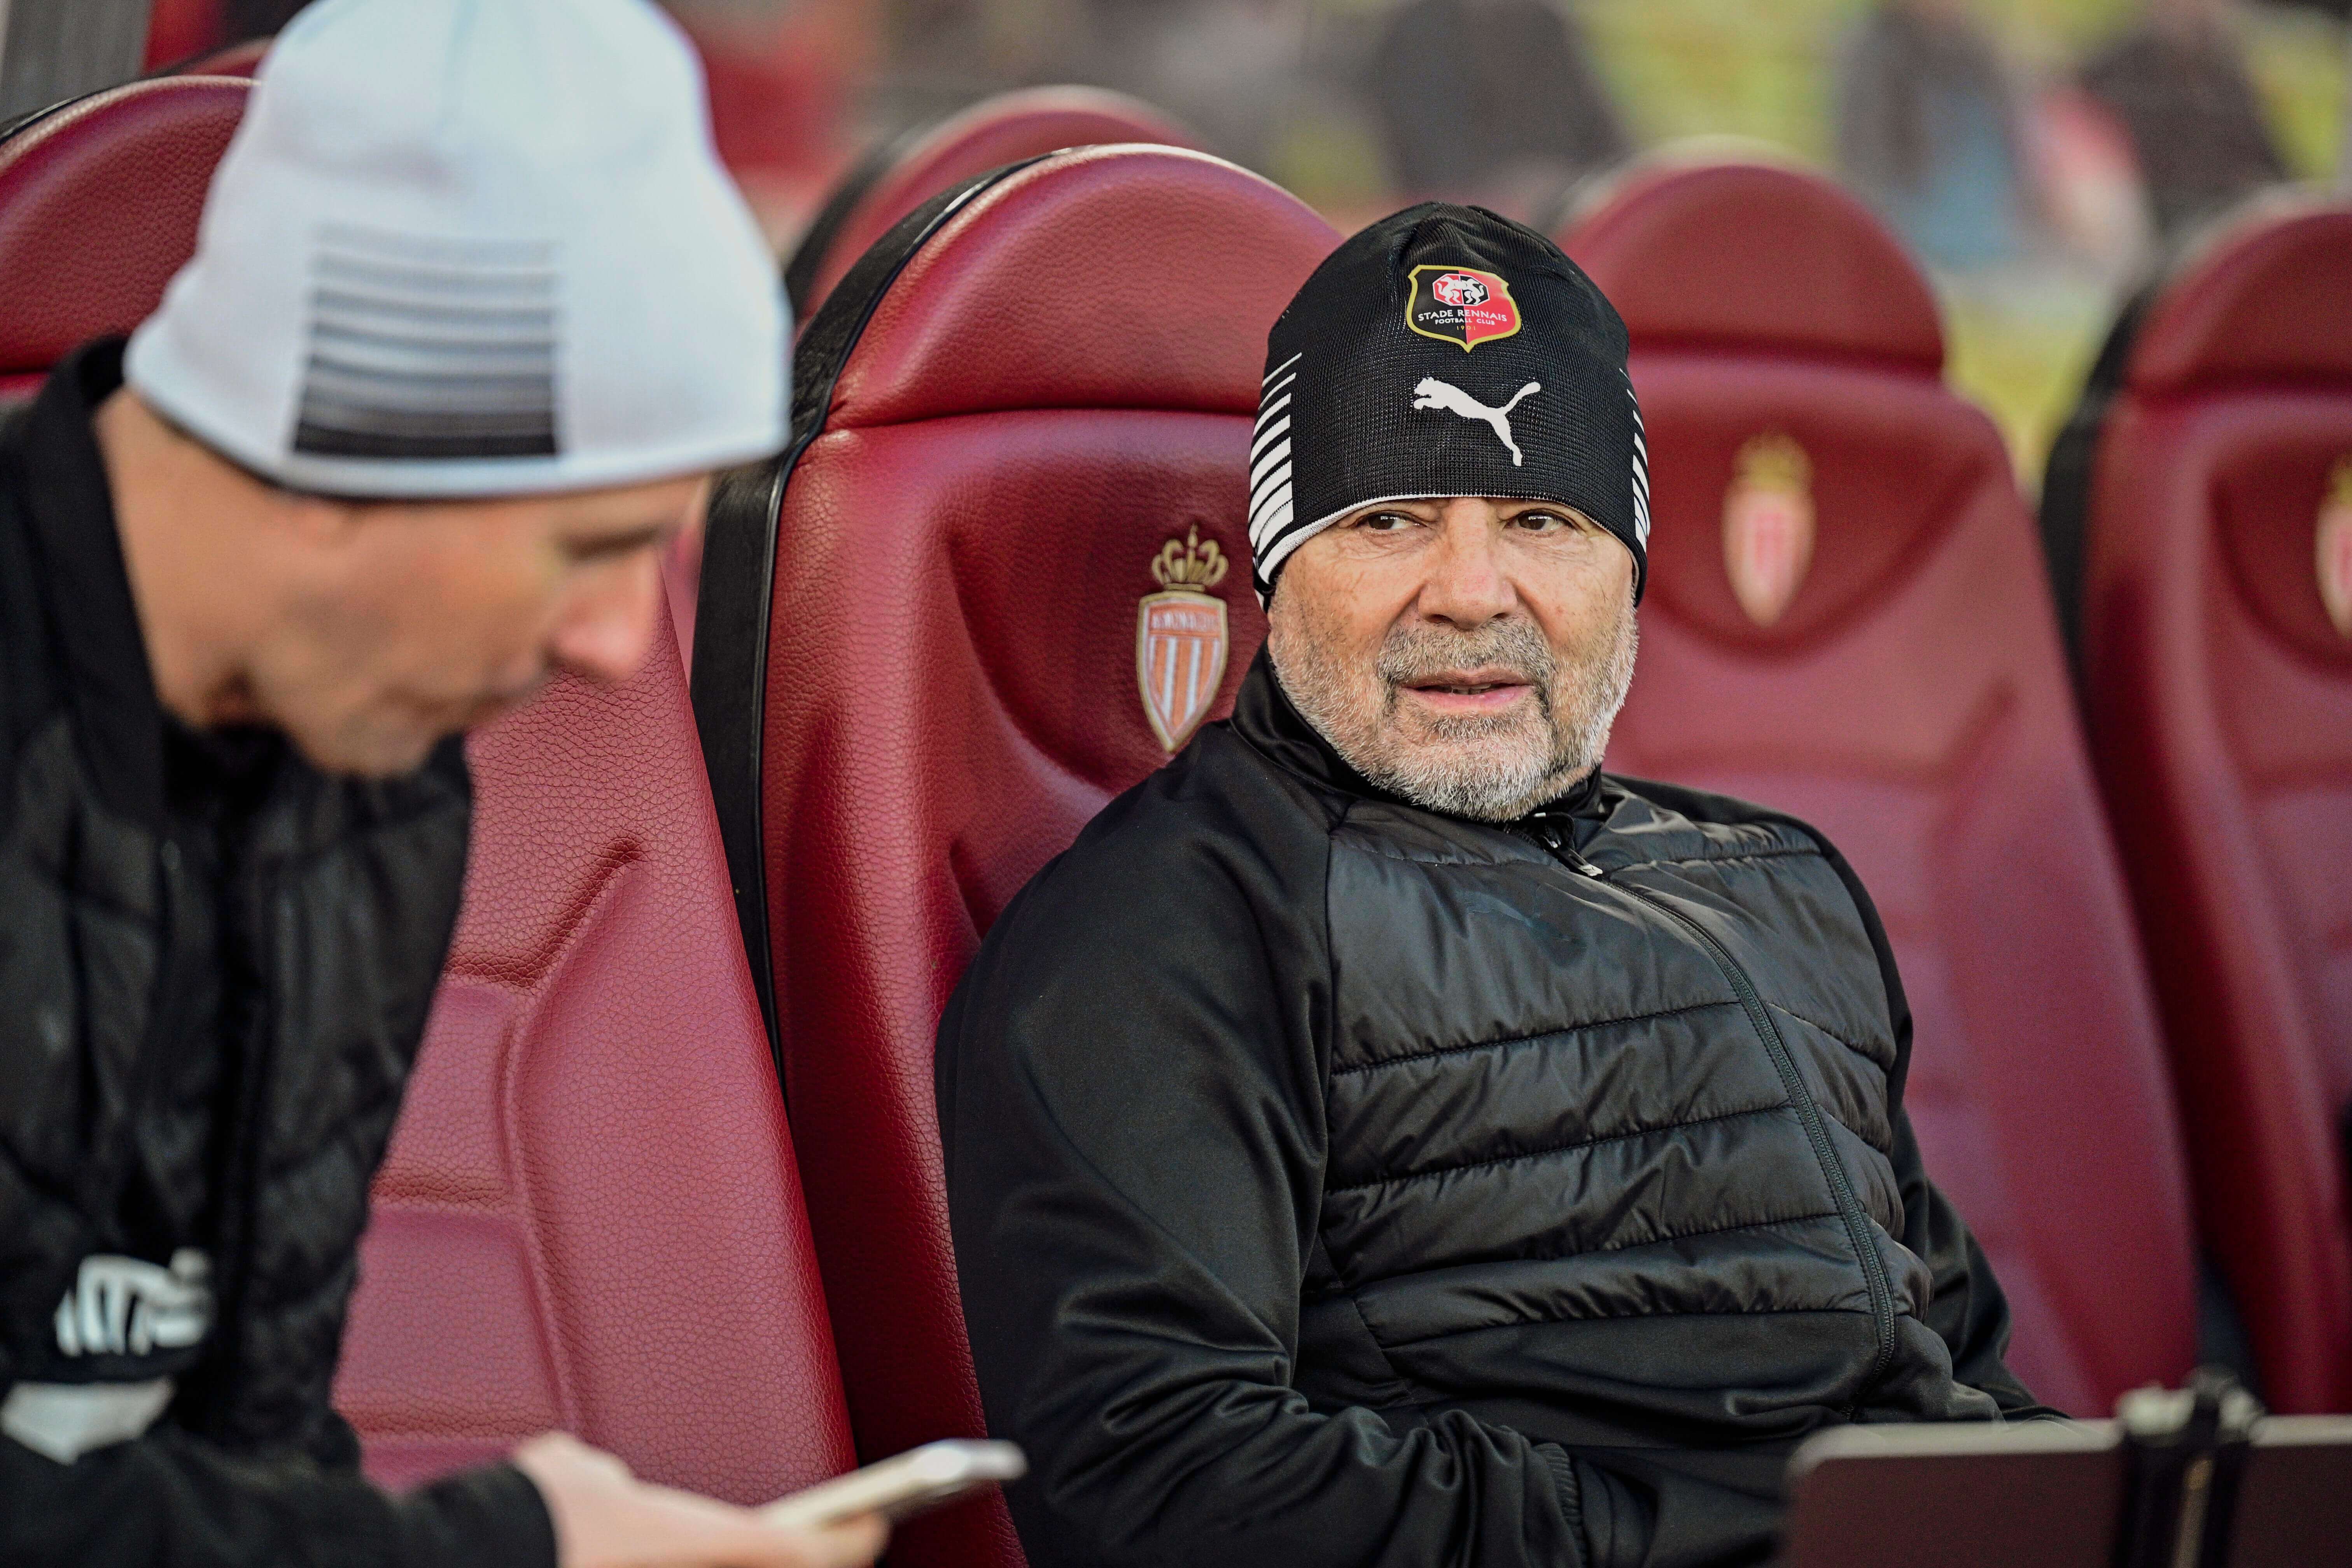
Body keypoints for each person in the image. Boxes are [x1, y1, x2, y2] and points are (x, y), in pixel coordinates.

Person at [938, 205, 2054, 1568]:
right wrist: (1760, 1530)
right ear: (1274, 571)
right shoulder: (1173, 926)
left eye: (1539, 517)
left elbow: (1966, 1390)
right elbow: (1166, 1480)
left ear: (1627, 577)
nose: (1470, 591)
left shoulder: (1782, 886)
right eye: (1389, 517)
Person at [0, 2, 882, 1565]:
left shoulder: (379, 803)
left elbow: (246, 1450)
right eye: (589, 548)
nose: (625, 650)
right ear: (339, 462)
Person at [1835, 0, 2035, 269]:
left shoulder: (1978, 53)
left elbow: (2015, 144)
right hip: (1915, 232)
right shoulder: (1878, 56)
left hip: (1993, 233)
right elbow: (1867, 164)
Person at [2080, 0, 2287, 244]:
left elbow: (2268, 160)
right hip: (2163, 237)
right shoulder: (2111, 73)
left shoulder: (2223, 69)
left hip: (2234, 226)